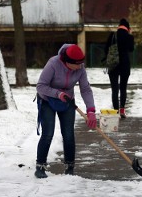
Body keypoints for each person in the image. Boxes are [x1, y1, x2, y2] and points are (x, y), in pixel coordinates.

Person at [34, 44, 97, 179]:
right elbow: (40, 86)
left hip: (67, 101)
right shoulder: (53, 64)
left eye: (82, 64)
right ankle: (40, 166)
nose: (80, 67)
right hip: (47, 100)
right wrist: (58, 94)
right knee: (48, 133)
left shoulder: (80, 68)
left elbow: (85, 89)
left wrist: (90, 110)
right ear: (68, 62)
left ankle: (70, 167)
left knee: (68, 134)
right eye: (77, 64)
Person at [104, 18, 134, 118]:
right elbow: (131, 49)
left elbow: (106, 49)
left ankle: (116, 111)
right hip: (125, 65)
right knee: (123, 88)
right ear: (127, 28)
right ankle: (122, 110)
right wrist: (130, 35)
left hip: (113, 65)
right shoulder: (129, 37)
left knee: (114, 89)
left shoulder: (112, 35)